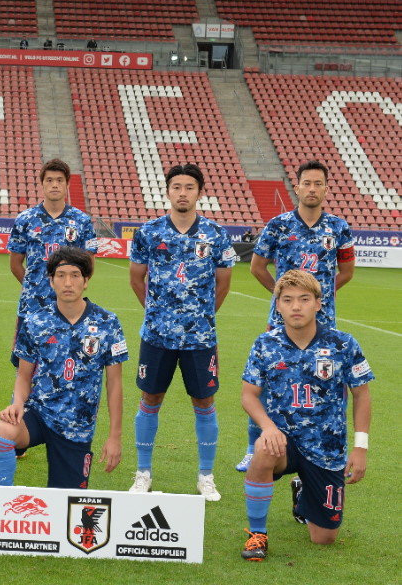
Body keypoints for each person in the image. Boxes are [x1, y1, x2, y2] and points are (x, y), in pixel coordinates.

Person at [239, 270, 372, 561]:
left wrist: (360, 447)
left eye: (304, 299)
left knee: (324, 538)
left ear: (319, 303)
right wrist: (267, 427)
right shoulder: (265, 344)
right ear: (278, 306)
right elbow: (249, 395)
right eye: (287, 300)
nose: (296, 306)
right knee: (263, 449)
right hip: (282, 441)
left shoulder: (343, 344)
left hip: (327, 447)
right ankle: (257, 534)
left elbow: (361, 394)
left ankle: (303, 490)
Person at [236, 160, 355, 472]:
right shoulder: (277, 226)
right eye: (307, 183)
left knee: (322, 388)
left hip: (324, 324)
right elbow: (256, 267)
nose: (312, 188)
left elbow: (346, 272)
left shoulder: (339, 229)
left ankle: (316, 453)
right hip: (280, 323)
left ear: (326, 188)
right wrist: (283, 299)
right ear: (298, 187)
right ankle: (254, 445)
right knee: (265, 384)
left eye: (318, 183)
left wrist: (319, 298)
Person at [127, 163, 235, 501]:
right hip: (157, 336)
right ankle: (143, 472)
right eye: (177, 187)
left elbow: (223, 283)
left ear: (199, 192)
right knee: (150, 399)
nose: (183, 193)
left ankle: (206, 475)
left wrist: (198, 317)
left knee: (204, 401)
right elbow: (136, 278)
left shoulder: (216, 234)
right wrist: (159, 313)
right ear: (168, 191)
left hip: (200, 338)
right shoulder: (149, 231)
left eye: (189, 187)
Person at [0, 248, 126, 488]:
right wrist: (17, 404)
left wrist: (115, 437)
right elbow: (23, 375)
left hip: (77, 427)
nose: (68, 282)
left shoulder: (108, 323)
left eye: (75, 275)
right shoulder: (35, 321)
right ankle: (4, 500)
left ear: (86, 281)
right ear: (51, 281)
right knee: (2, 432)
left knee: (67, 506)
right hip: (39, 415)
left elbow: (114, 384)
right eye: (60, 275)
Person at [8, 158, 97, 368]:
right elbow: (15, 263)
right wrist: (34, 286)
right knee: (26, 366)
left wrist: (68, 288)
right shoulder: (25, 219)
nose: (54, 185)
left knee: (67, 362)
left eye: (59, 180)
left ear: (67, 185)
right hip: (32, 306)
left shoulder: (82, 221)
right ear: (42, 184)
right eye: (49, 180)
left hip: (69, 305)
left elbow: (89, 265)